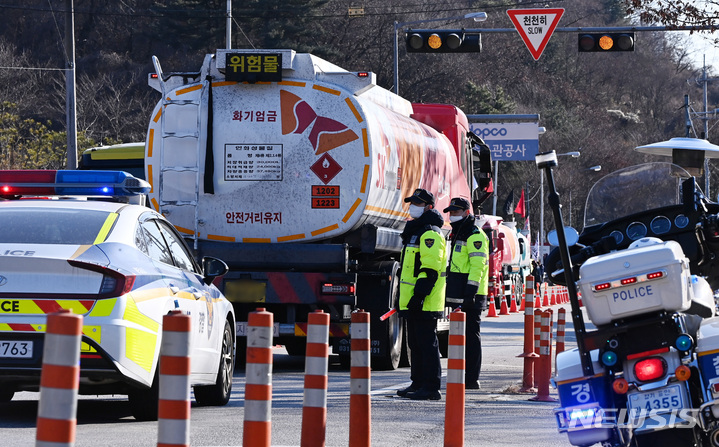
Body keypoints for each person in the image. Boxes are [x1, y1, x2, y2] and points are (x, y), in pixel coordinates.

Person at [396, 188, 447, 401]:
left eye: (417, 203)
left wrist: (419, 296)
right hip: (413, 300)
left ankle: (431, 387)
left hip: (425, 300)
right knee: (415, 344)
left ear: (428, 207)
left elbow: (430, 270)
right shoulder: (416, 231)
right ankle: (417, 383)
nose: (412, 207)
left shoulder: (430, 233)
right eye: (411, 202)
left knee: (427, 344)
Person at [443, 197, 489, 390]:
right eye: (451, 212)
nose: (452, 215)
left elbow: (478, 266)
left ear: (467, 212)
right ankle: (462, 375)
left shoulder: (474, 234)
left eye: (456, 212)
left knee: (470, 336)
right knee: (459, 337)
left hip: (471, 294)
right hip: (460, 293)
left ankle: (471, 378)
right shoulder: (459, 232)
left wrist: (470, 292)